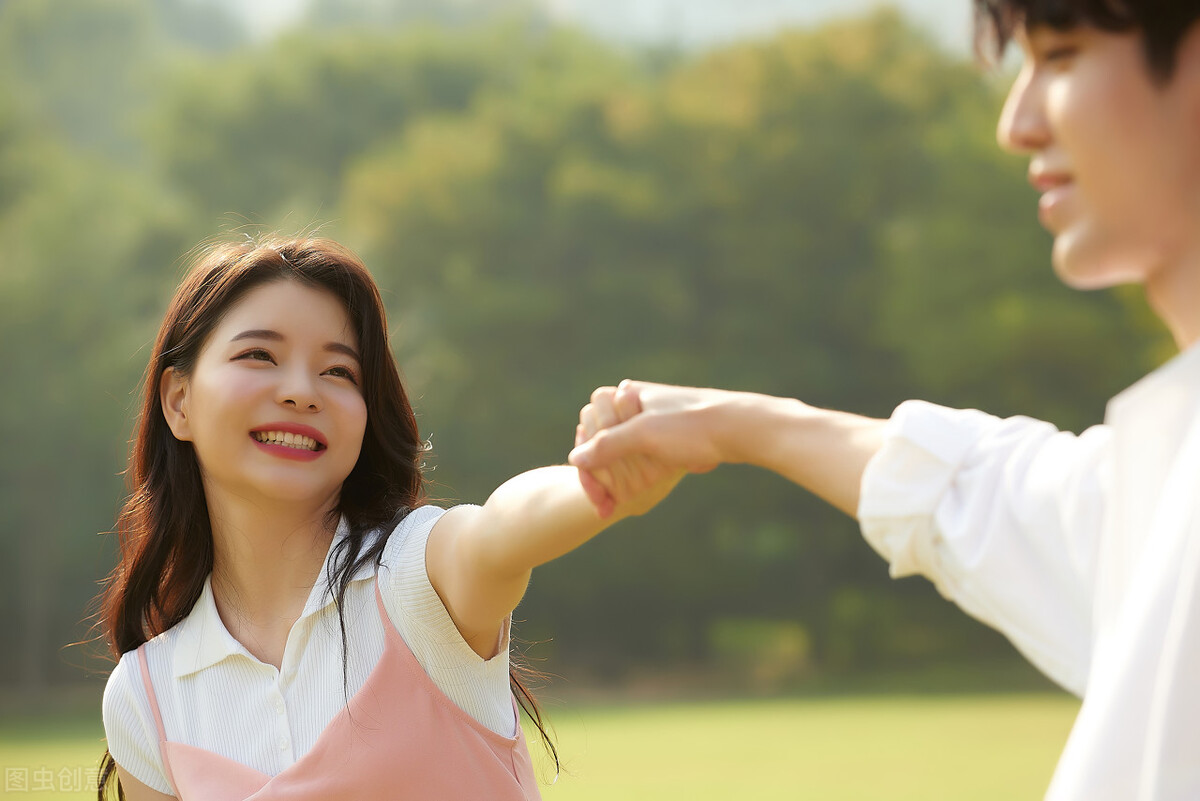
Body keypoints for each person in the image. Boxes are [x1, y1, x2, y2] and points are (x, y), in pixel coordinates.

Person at [569, 1, 1200, 798]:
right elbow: (991, 494)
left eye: (1064, 56)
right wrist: (742, 424)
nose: (1018, 123)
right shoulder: (1166, 469)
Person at [97, 235, 680, 800]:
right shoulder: (145, 698)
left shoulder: (416, 578)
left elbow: (501, 529)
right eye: (259, 355)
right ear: (179, 401)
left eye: (339, 372)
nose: (302, 391)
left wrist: (595, 482)